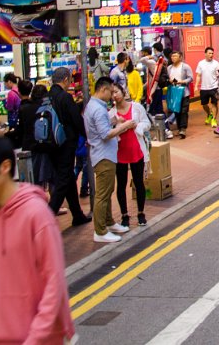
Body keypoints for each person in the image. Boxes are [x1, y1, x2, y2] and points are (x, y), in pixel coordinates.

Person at [0, 136, 75, 344]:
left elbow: (54, 283)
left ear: (5, 167)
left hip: (39, 338)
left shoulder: (37, 214)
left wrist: (36, 338)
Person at [84, 77, 134, 243]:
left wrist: (114, 121)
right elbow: (105, 134)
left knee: (107, 191)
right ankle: (100, 230)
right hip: (103, 155)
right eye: (111, 92)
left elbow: (102, 127)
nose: (112, 96)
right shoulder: (98, 109)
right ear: (103, 89)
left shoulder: (95, 106)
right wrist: (124, 126)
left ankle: (109, 222)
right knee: (103, 194)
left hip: (104, 154)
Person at [47, 68, 91, 224]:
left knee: (68, 177)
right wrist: (87, 136)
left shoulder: (47, 96)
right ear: (66, 79)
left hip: (51, 144)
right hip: (66, 143)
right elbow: (76, 120)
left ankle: (77, 215)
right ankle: (45, 217)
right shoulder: (65, 97)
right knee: (64, 180)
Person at [110, 84, 150, 228]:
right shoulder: (111, 113)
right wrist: (119, 125)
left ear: (123, 91)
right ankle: (124, 215)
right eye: (112, 93)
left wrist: (137, 126)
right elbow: (109, 131)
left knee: (139, 182)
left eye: (116, 92)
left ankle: (141, 213)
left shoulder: (136, 107)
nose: (115, 95)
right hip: (120, 152)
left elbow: (147, 123)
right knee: (121, 185)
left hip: (136, 150)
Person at [167, 51, 194, 139]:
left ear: (180, 57)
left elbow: (191, 78)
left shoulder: (185, 67)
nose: (173, 58)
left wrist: (183, 81)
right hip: (174, 92)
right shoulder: (169, 68)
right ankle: (179, 128)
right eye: (172, 56)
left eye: (175, 56)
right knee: (176, 111)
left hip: (184, 92)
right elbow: (168, 78)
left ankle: (183, 129)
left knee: (184, 111)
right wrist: (169, 81)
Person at [196, 47, 219, 127]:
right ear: (205, 54)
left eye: (212, 53)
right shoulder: (201, 63)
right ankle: (209, 114)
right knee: (204, 104)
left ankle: (214, 119)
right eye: (209, 53)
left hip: (214, 87)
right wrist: (196, 86)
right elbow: (198, 75)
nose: (211, 55)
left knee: (214, 104)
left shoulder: (216, 63)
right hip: (204, 88)